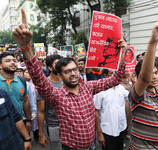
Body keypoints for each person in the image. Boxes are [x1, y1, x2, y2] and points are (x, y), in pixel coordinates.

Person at [12, 8, 127, 149]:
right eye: (67, 71)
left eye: (75, 69)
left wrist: (122, 55)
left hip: (91, 146)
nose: (73, 73)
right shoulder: (57, 96)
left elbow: (115, 80)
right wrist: (26, 47)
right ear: (59, 75)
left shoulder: (89, 87)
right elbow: (39, 79)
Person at [128, 8, 158, 149]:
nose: (154, 76)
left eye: (156, 72)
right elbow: (144, 78)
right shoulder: (137, 95)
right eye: (150, 73)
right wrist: (153, 41)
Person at [94, 69, 129, 150]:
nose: (115, 75)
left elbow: (131, 96)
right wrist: (99, 133)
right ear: (106, 75)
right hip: (107, 131)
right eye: (112, 73)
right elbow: (96, 113)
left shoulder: (120, 87)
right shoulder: (100, 90)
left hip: (121, 128)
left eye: (116, 73)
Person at [0, 51, 32, 132]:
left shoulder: (22, 81)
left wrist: (28, 120)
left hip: (19, 124)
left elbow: (25, 101)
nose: (13, 63)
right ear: (0, 65)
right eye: (8, 61)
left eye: (14, 60)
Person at [36, 54, 63, 150]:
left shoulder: (69, 81)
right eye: (57, 64)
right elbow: (40, 111)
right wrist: (41, 134)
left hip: (72, 124)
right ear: (50, 68)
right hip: (54, 126)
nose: (61, 65)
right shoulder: (44, 85)